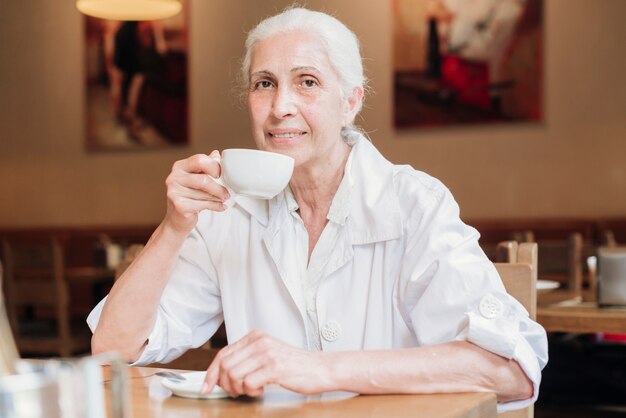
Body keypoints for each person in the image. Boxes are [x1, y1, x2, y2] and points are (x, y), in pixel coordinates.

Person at [88, 7, 547, 412]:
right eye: (264, 84)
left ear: (351, 102)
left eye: (307, 82)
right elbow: (113, 348)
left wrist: (319, 369)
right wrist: (173, 227)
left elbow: (510, 370)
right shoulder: (226, 211)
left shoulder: (414, 203)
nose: (280, 107)